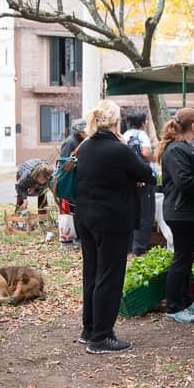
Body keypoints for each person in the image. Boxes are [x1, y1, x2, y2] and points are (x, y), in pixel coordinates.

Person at [75, 100, 155, 354]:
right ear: (116, 122)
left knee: (92, 272)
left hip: (86, 217)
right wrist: (125, 150)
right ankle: (101, 337)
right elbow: (148, 174)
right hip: (111, 218)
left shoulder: (86, 147)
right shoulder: (118, 149)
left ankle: (89, 329)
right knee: (109, 275)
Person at [156, 108, 194, 324]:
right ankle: (174, 306)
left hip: (187, 212)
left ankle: (187, 300)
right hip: (181, 212)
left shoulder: (183, 149)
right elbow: (184, 182)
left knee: (187, 258)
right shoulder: (177, 150)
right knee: (181, 258)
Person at [122, 111, 157, 256]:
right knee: (145, 213)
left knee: (130, 211)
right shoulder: (141, 135)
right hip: (142, 179)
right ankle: (140, 246)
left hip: (128, 179)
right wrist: (155, 158)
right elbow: (146, 152)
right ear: (143, 123)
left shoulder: (123, 135)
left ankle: (129, 245)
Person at [59, 118, 87, 248]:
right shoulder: (70, 142)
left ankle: (80, 236)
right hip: (73, 182)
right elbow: (65, 164)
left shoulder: (80, 141)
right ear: (80, 131)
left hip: (80, 180)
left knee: (79, 210)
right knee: (75, 210)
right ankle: (76, 237)